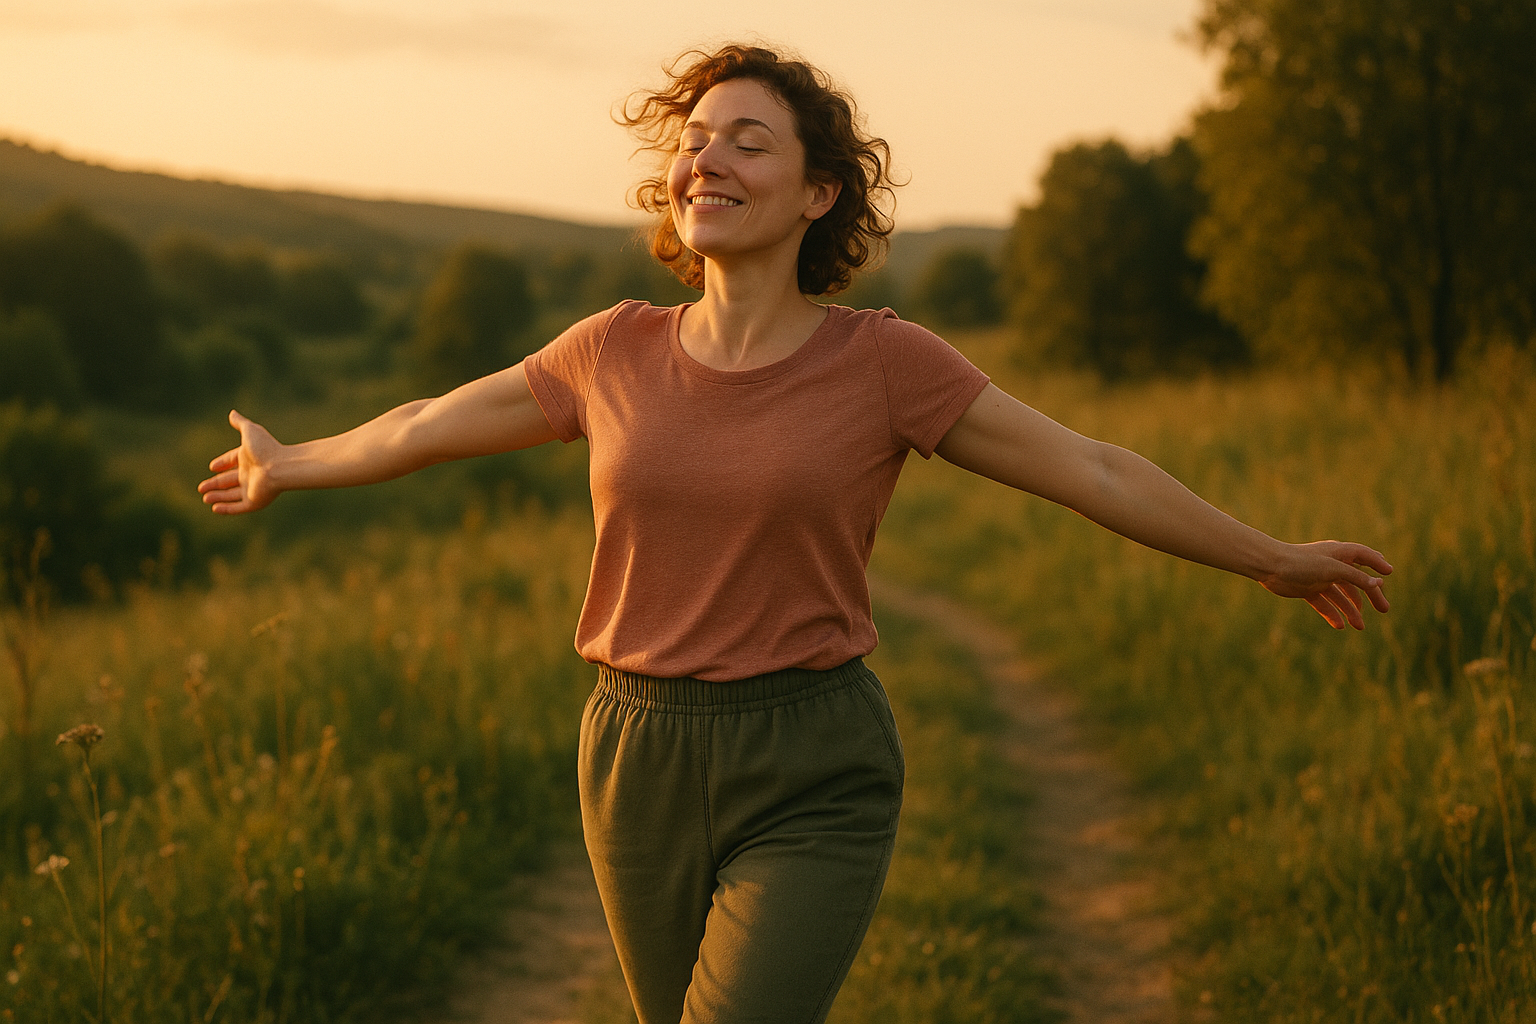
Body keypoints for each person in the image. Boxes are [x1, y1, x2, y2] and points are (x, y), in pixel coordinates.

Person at [198, 43, 1392, 1024]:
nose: (705, 157)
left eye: (747, 139)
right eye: (696, 138)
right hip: (634, 752)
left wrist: (1271, 556)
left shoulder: (886, 364)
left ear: (820, 194)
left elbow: (1088, 466)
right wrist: (294, 463)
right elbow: (424, 423)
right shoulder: (611, 350)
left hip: (813, 760)